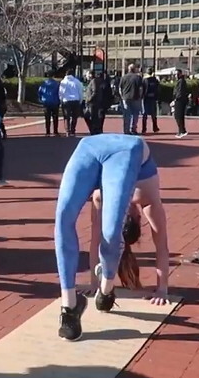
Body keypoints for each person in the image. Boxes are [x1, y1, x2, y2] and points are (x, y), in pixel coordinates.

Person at [53, 134, 170, 341]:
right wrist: (91, 282)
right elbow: (161, 246)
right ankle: (71, 305)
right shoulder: (148, 201)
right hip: (91, 146)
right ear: (137, 216)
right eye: (129, 217)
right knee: (63, 218)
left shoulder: (104, 199)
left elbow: (99, 238)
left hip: (116, 153)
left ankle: (104, 291)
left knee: (110, 231)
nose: (127, 213)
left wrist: (162, 290)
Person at [118, 64, 144, 135]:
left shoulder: (123, 77)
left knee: (127, 114)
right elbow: (140, 89)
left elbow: (120, 88)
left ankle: (126, 130)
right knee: (135, 114)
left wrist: (122, 96)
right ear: (134, 69)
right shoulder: (138, 77)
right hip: (135, 97)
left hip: (126, 97)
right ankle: (133, 128)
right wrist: (140, 96)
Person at [59, 69, 84, 137]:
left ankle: (68, 130)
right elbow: (80, 92)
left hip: (66, 100)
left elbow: (61, 92)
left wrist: (61, 100)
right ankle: (73, 129)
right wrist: (80, 100)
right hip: (75, 100)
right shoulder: (77, 82)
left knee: (67, 116)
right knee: (74, 116)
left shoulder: (63, 82)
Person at [38, 71, 61, 137]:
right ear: (53, 76)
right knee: (55, 117)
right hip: (55, 102)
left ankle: (47, 132)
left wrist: (40, 99)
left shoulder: (44, 83)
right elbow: (59, 92)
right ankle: (55, 131)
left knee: (47, 118)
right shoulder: (56, 84)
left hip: (46, 102)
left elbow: (40, 92)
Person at [141, 69, 160, 134]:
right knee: (153, 114)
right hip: (153, 98)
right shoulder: (155, 80)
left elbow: (142, 89)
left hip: (146, 98)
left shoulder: (144, 80)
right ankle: (155, 128)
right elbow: (158, 89)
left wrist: (143, 96)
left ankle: (144, 129)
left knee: (145, 114)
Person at [172, 70, 189, 138]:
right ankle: (182, 130)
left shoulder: (181, 81)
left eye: (177, 74)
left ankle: (181, 131)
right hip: (179, 100)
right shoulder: (180, 81)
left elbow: (180, 91)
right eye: (175, 74)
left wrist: (176, 98)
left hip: (180, 100)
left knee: (178, 116)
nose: (175, 75)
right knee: (179, 116)